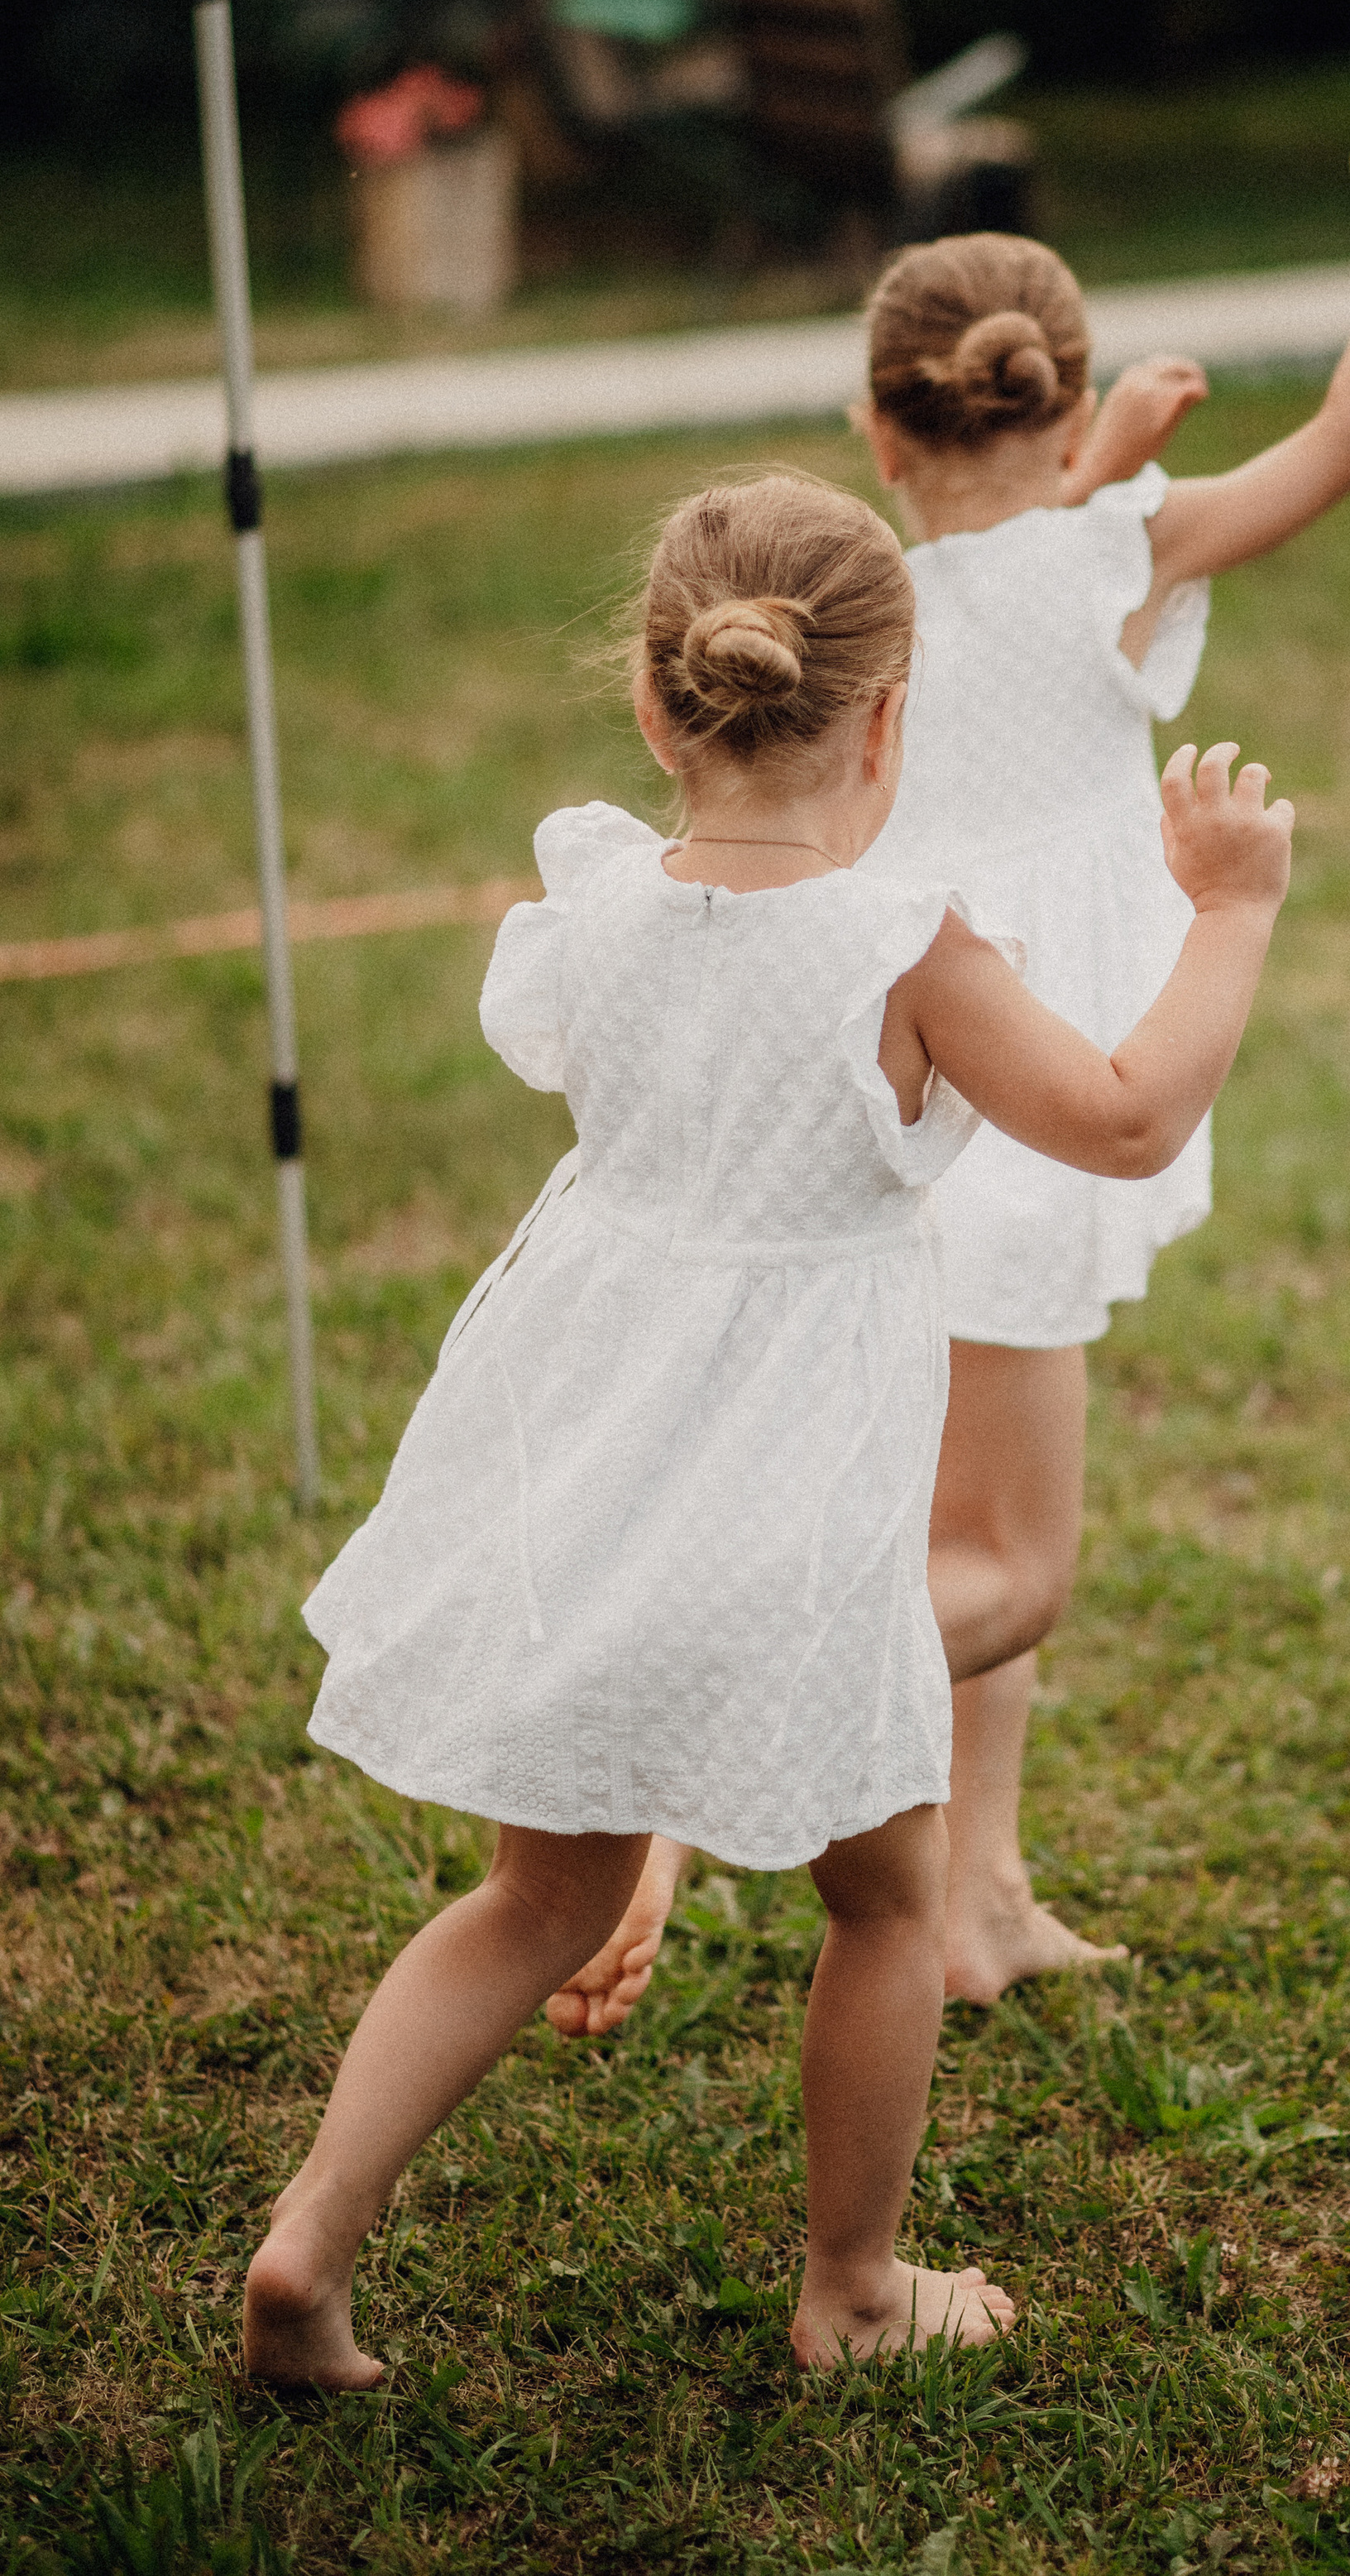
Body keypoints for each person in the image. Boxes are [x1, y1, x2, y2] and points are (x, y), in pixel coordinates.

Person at [241, 473, 1294, 2389]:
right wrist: (1225, 909)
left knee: (530, 1896)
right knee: (886, 1904)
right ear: (892, 721)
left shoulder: (597, 904)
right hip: (792, 1479)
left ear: (656, 708)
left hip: (591, 1442)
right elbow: (1129, 1116)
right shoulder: (905, 948)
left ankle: (306, 2246)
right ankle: (854, 2290)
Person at [543, 115, 1350, 2037]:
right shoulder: (1107, 556)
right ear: (1063, 407)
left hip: (880, 1099)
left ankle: (980, 1900)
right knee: (1002, 1572)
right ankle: (692, 1774)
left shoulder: (848, 604)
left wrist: (1097, 458)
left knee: (948, 1524)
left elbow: (984, 571)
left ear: (881, 431)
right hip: (1038, 1103)